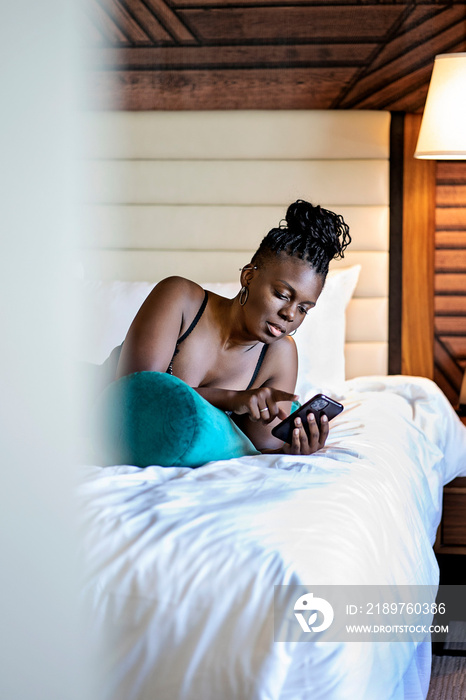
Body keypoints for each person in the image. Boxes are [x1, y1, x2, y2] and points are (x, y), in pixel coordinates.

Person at [114, 200, 351, 455]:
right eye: (282, 294)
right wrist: (232, 399)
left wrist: (291, 448)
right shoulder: (179, 299)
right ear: (248, 276)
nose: (290, 314)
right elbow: (136, 396)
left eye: (304, 308)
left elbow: (261, 446)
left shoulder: (279, 355)